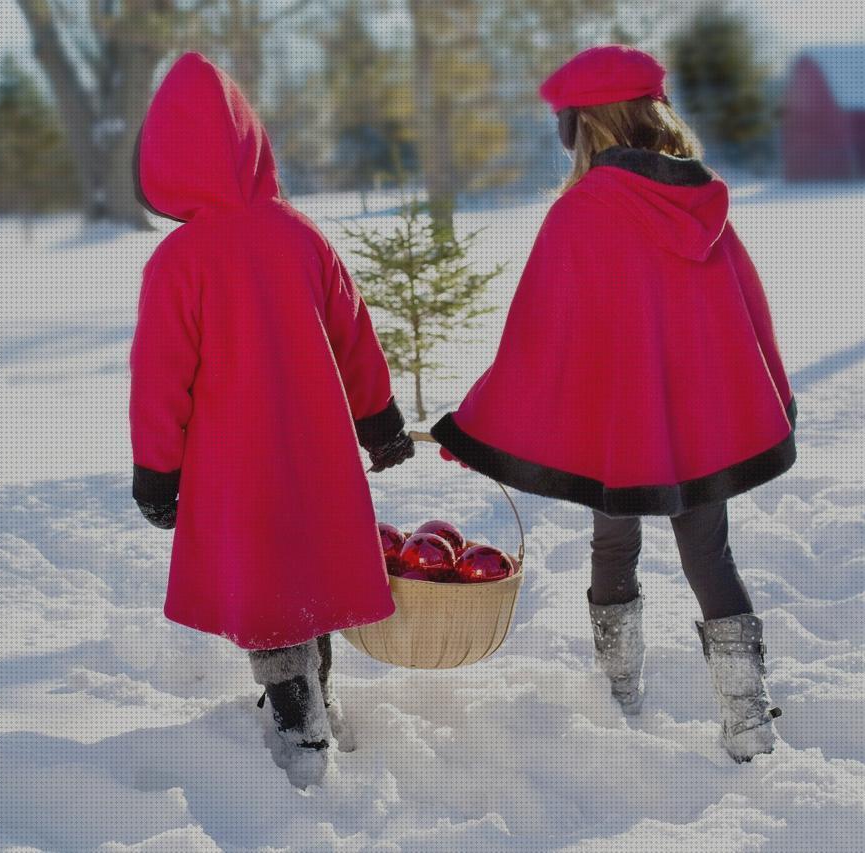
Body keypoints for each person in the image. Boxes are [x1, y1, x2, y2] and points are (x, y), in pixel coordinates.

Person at [431, 45, 794, 762]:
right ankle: (747, 718)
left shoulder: (582, 213)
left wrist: (480, 423)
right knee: (709, 552)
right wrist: (769, 395)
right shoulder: (703, 200)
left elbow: (536, 340)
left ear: (585, 128)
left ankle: (618, 690)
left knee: (613, 538)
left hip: (618, 423)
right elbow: (748, 315)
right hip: (696, 428)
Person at [128, 53, 414, 786]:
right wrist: (378, 421)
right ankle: (316, 698)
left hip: (237, 468)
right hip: (318, 457)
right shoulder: (300, 235)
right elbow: (355, 334)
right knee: (307, 583)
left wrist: (158, 471)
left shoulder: (178, 262)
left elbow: (160, 382)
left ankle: (301, 731)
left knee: (268, 598)